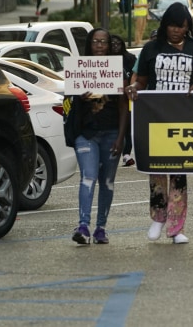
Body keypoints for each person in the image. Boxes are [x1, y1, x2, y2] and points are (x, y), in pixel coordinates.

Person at [125, 2, 193, 244]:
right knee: (156, 171)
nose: (176, 31)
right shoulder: (151, 49)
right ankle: (158, 217)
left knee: (179, 173)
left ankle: (176, 227)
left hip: (184, 119)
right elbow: (141, 81)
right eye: (172, 26)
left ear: (188, 27)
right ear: (165, 25)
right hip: (155, 119)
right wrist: (133, 88)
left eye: (182, 27)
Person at [69, 28, 129, 245]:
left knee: (107, 181)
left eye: (104, 42)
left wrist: (121, 137)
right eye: (96, 42)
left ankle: (100, 228)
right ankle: (83, 225)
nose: (100, 46)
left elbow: (124, 107)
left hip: (112, 133)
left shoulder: (118, 71)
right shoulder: (80, 69)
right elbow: (68, 101)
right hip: (86, 134)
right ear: (89, 44)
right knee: (88, 176)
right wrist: (79, 96)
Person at [110, 34, 137, 167]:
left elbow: (136, 76)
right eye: (112, 43)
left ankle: (126, 154)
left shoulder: (130, 58)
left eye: (118, 43)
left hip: (127, 97)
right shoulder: (104, 60)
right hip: (110, 99)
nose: (115, 46)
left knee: (127, 125)